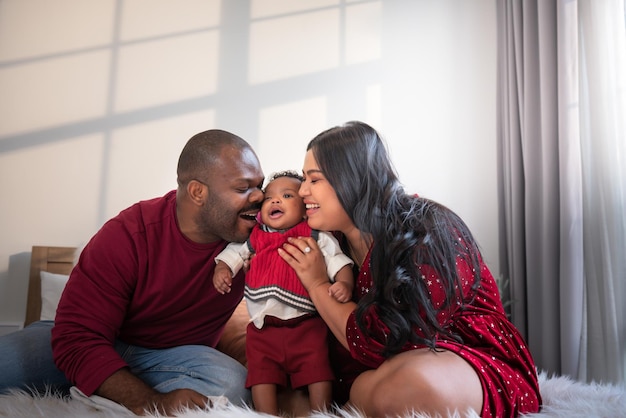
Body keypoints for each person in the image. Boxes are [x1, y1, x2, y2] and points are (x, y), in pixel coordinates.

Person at [279, 121, 542, 418]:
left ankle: (361, 400)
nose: (301, 191)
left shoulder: (426, 229)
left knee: (404, 387)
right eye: (303, 179)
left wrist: (316, 286)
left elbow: (381, 344)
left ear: (352, 179)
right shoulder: (329, 245)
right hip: (369, 376)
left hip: (469, 364)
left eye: (314, 180)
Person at [0, 129, 265, 416]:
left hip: (174, 358)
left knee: (232, 385)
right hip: (93, 341)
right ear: (198, 192)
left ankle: (97, 385)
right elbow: (76, 337)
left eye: (260, 185)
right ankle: (99, 383)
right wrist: (149, 401)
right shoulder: (128, 234)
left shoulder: (258, 238)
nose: (260, 197)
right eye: (243, 188)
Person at [212, 170, 354, 415]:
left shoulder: (315, 236)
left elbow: (338, 261)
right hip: (262, 329)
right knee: (261, 375)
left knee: (318, 370)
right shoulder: (255, 238)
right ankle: (266, 413)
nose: (275, 201)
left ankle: (321, 412)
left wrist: (344, 283)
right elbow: (233, 253)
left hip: (306, 326)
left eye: (287, 195)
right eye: (269, 198)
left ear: (304, 209)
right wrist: (223, 269)